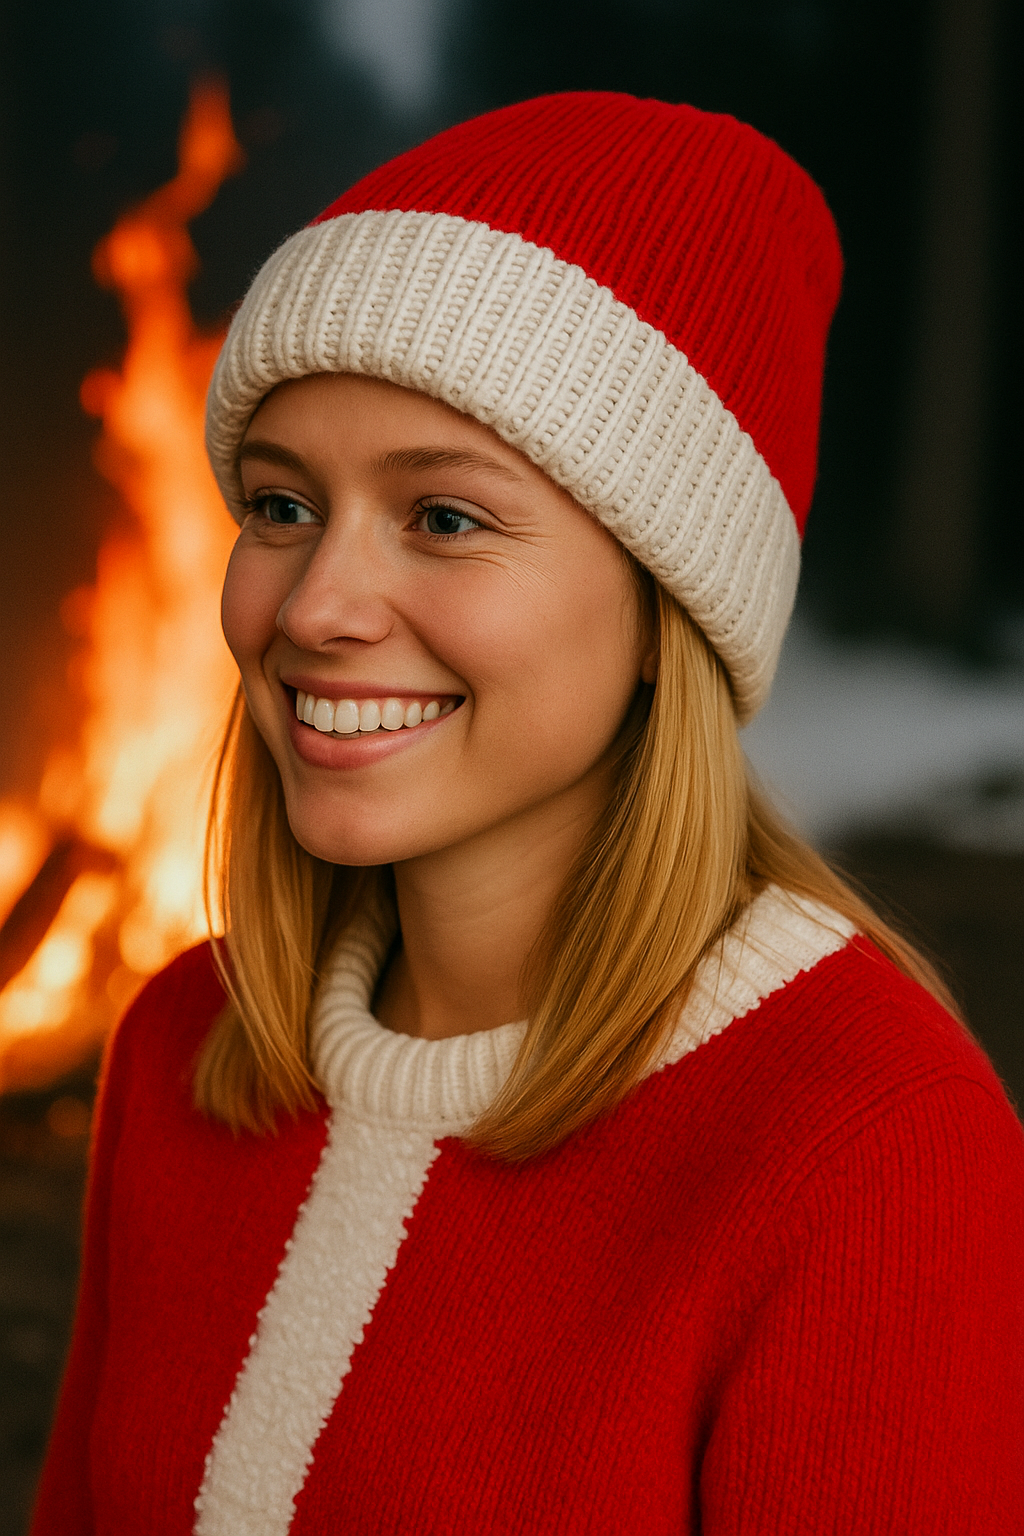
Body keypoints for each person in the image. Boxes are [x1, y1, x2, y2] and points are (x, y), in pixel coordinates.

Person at [32, 92, 1024, 1535]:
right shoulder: (188, 1040)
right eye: (281, 506)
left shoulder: (869, 1150)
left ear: (665, 613)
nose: (314, 608)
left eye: (445, 517)